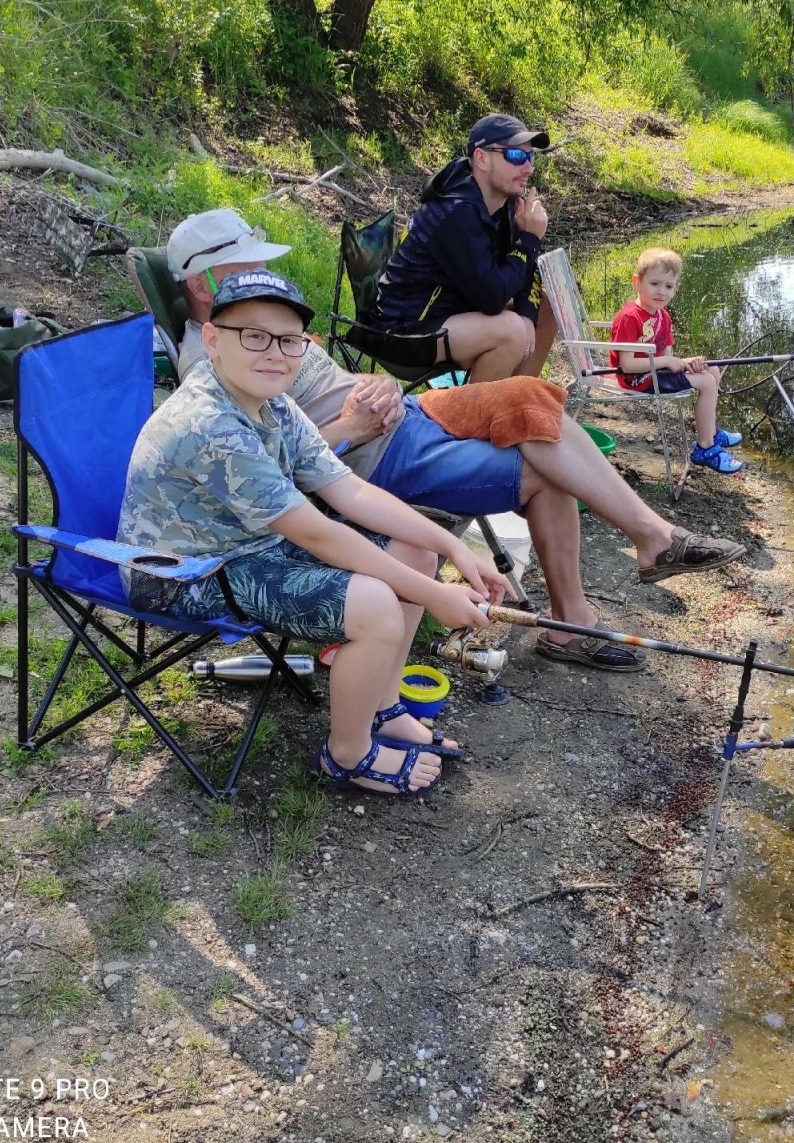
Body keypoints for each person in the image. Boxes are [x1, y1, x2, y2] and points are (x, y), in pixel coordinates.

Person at [165, 210, 752, 673]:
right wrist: (348, 428)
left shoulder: (260, 320)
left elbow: (332, 382)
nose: (261, 276)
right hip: (374, 452)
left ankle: (651, 539)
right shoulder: (212, 360)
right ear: (200, 282)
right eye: (246, 266)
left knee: (533, 394)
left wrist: (381, 386)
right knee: (549, 468)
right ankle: (578, 615)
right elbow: (266, 464)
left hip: (406, 411)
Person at [118, 268, 511, 799]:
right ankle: (345, 755)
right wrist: (438, 596)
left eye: (288, 340)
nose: (274, 353)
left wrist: (451, 548)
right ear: (212, 339)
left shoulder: (273, 402)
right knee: (375, 604)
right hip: (184, 571)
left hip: (250, 544)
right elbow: (320, 534)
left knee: (416, 551)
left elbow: (348, 490)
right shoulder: (209, 422)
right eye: (253, 336)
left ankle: (381, 704)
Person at [363, 114, 558, 384]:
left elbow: (523, 271)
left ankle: (513, 408)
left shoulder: (507, 203)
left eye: (530, 157)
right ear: (481, 158)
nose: (527, 168)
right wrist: (529, 240)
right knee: (511, 331)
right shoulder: (455, 213)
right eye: (515, 155)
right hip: (403, 332)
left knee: (547, 308)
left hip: (451, 316)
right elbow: (491, 298)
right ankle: (467, 422)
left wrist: (527, 313)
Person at [610, 247, 743, 476]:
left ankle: (710, 430)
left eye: (668, 286)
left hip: (655, 373)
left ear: (676, 288)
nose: (661, 291)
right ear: (637, 282)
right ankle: (705, 447)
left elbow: (668, 357)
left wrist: (686, 362)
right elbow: (627, 366)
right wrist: (667, 362)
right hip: (636, 379)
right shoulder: (630, 317)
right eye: (654, 284)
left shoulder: (663, 316)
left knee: (711, 369)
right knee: (706, 383)